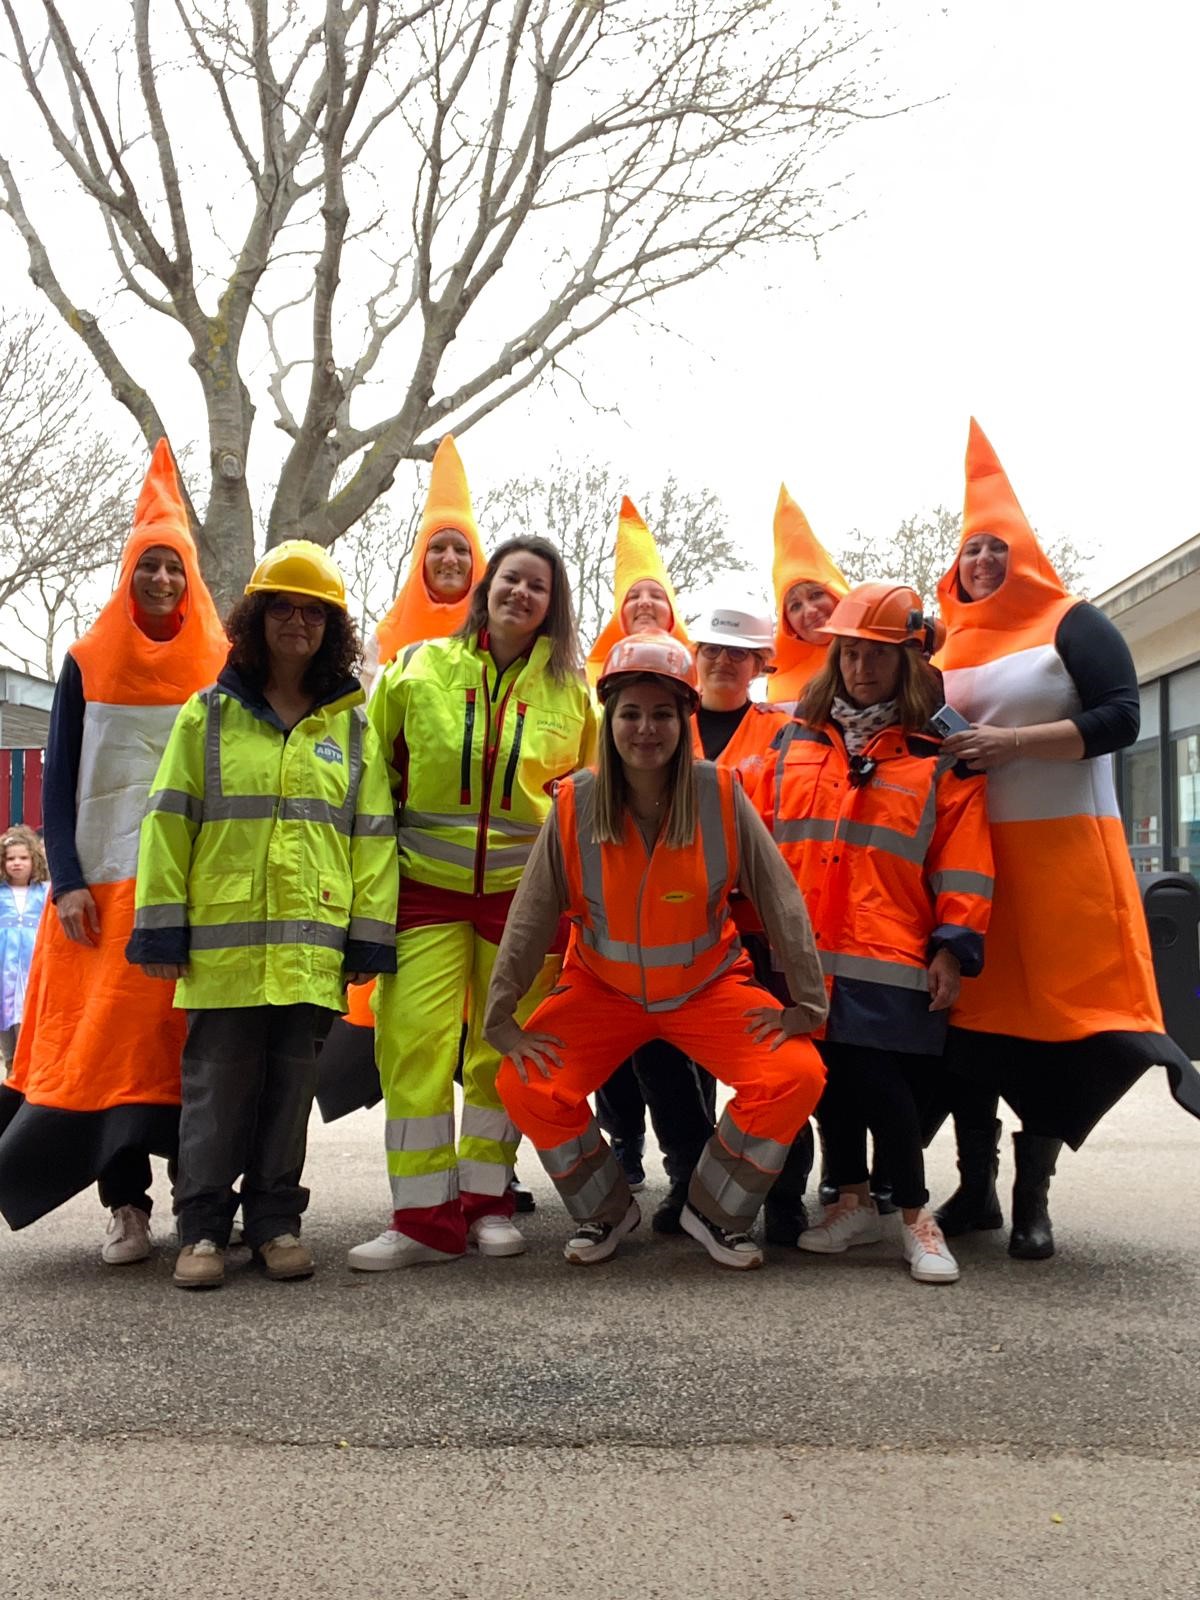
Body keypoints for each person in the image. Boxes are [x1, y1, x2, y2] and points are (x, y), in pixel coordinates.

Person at [932, 419, 1200, 1259]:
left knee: (1064, 1023)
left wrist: (1010, 745)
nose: (982, 562)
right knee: (973, 1025)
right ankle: (974, 1189)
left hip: (1066, 861)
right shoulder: (944, 638)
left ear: (1026, 554)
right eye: (971, 549)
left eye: (997, 548)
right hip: (974, 862)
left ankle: (1031, 1195)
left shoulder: (1072, 620)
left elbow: (1122, 715)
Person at [485, 631, 827, 1270]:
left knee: (796, 1075)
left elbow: (782, 901)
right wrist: (500, 1020)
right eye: (631, 712)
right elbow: (529, 919)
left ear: (685, 720)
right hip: (601, 991)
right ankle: (605, 1212)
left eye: (663, 713)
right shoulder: (575, 804)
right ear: (609, 717)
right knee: (524, 1081)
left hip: (708, 987)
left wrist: (807, 1004)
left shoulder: (720, 795)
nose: (646, 728)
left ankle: (713, 1211)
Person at [127, 540, 398, 1290]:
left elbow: (372, 837)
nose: (299, 624)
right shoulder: (206, 716)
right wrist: (161, 927)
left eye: (315, 613)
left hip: (312, 950)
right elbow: (168, 821)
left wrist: (368, 940)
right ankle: (204, 1231)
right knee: (217, 1094)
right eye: (284, 607)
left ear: (331, 630)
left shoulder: (352, 727)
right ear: (257, 618)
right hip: (222, 952)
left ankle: (277, 1224)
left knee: (288, 1093)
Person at [0, 441, 229, 1264]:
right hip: (99, 894)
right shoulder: (87, 662)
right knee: (106, 1055)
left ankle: (207, 1204)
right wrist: (62, 876)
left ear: (189, 577)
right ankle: (125, 1205)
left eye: (173, 568)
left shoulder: (219, 664)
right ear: (127, 576)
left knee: (196, 1051)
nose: (162, 581)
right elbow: (57, 776)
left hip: (195, 891)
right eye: (148, 568)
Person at [347, 536, 596, 1271]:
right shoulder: (417, 668)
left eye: (538, 587)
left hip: (525, 903)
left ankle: (487, 1201)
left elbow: (585, 808)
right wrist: (372, 889)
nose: (522, 594)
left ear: (554, 607)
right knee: (413, 1046)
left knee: (501, 1053)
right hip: (423, 892)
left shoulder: (574, 694)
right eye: (512, 580)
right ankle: (423, 1220)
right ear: (489, 586)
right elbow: (371, 785)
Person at [750, 584, 993, 1284]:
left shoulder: (939, 755)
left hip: (888, 948)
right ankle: (851, 1200)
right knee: (826, 1082)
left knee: (881, 1081)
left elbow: (966, 863)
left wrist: (954, 945)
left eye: (876, 656)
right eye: (850, 653)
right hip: (800, 949)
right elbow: (757, 836)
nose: (860, 668)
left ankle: (915, 1216)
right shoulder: (792, 741)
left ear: (908, 661)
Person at [316, 434, 486, 1125]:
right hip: (406, 864)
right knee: (416, 1021)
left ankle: (489, 1174)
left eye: (461, 551)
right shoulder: (384, 644)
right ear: (420, 560)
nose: (448, 560)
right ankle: (422, 1176)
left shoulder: (503, 644)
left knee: (482, 1023)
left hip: (486, 874)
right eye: (437, 549)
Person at [640, 598, 800, 1238]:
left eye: (738, 653)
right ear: (694, 657)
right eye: (713, 650)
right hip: (672, 926)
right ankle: (692, 1175)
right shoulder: (660, 724)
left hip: (756, 926)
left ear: (760, 662)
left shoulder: (786, 734)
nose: (724, 663)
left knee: (773, 1059)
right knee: (662, 1057)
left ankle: (782, 1192)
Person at [585, 496, 692, 1190]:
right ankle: (621, 1146)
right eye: (635, 595)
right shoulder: (587, 673)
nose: (646, 602)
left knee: (676, 1046)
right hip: (607, 866)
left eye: (657, 592)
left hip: (682, 876)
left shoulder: (692, 677)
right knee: (611, 1043)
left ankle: (690, 1163)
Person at [766, 484, 849, 710]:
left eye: (816, 594)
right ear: (787, 624)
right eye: (794, 606)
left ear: (837, 596)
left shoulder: (885, 652)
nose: (810, 610)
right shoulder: (776, 680)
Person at [0, 828, 49, 1072]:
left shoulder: (44, 892)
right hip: (3, 963)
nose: (17, 863)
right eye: (10, 858)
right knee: (5, 1013)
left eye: (23, 858)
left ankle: (24, 1067)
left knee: (26, 1012)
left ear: (34, 859)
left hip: (32, 961)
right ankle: (10, 1063)